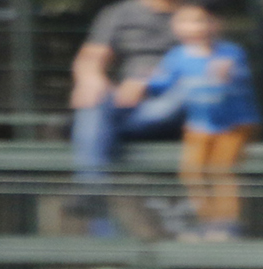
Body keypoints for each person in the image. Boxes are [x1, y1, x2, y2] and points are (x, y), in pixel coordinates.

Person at [148, 3, 257, 241]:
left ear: (216, 24)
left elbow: (240, 77)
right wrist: (144, 81)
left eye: (199, 20)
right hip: (198, 125)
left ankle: (228, 223)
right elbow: (159, 86)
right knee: (192, 172)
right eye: (185, 21)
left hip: (233, 125)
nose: (193, 27)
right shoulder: (176, 57)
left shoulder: (231, 53)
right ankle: (206, 222)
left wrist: (228, 74)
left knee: (221, 171)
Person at [70, 0, 185, 217]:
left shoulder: (196, 12)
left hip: (178, 107)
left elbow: (205, 62)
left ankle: (101, 137)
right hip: (130, 107)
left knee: (188, 92)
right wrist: (90, 79)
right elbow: (91, 58)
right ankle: (92, 191)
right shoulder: (120, 13)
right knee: (95, 101)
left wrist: (147, 82)